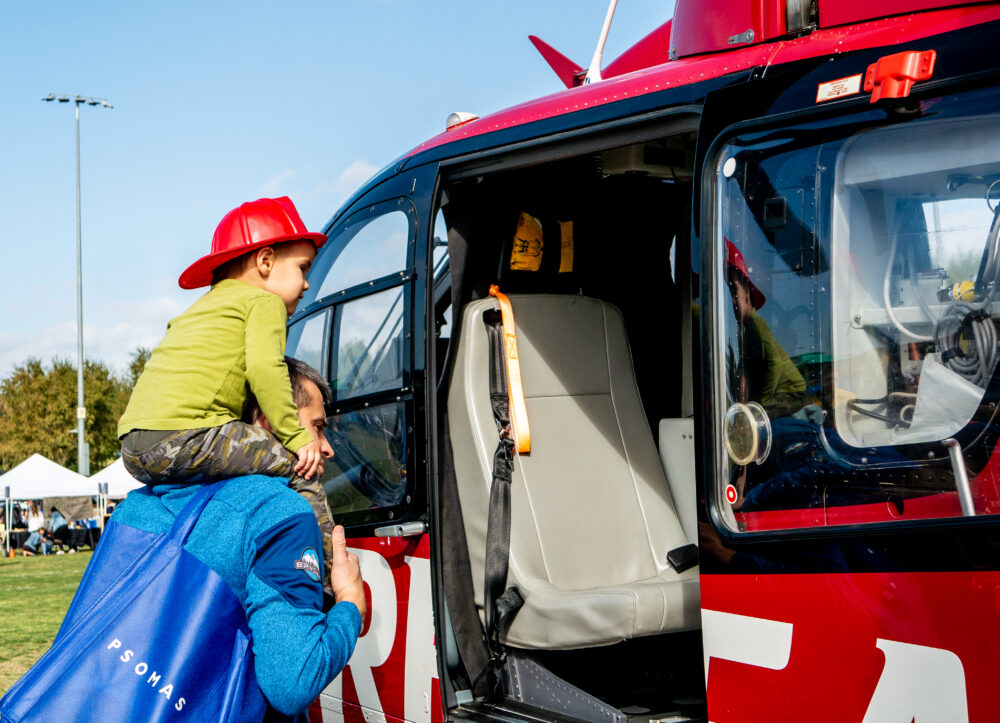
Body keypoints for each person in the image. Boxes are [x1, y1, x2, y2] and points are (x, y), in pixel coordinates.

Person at [110, 356, 365, 720]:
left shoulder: (136, 507)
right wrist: (350, 603)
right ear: (267, 419)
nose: (328, 447)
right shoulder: (282, 513)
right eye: (318, 427)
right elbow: (291, 684)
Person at [116, 196, 337, 588]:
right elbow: (266, 370)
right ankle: (328, 579)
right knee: (300, 466)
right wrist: (297, 437)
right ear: (265, 262)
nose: (306, 283)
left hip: (134, 444)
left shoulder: (200, 310)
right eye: (303, 268)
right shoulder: (262, 303)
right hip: (184, 436)